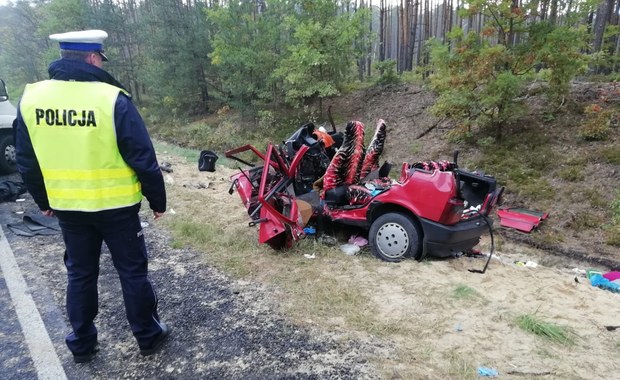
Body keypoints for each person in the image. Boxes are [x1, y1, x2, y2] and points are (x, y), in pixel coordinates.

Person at [14, 30, 170, 363]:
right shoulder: (112, 99)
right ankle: (147, 336)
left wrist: (43, 201)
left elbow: (26, 161)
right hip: (117, 208)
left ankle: (82, 343)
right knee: (132, 272)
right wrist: (157, 201)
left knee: (80, 274)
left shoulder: (32, 98)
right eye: (100, 57)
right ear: (92, 58)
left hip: (68, 208)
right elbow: (143, 157)